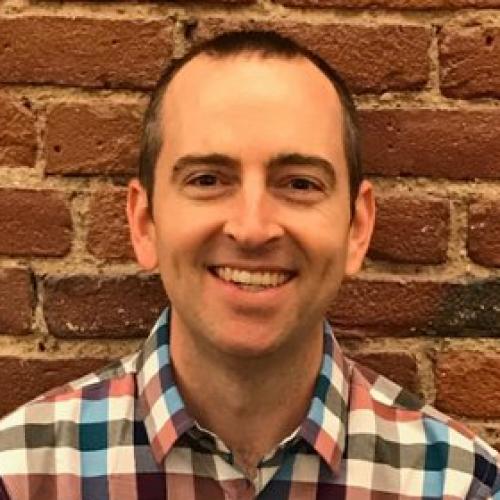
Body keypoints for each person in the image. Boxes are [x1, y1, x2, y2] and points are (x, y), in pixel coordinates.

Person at [0, 30, 498, 500]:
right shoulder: (22, 476)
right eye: (207, 180)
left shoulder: (460, 484)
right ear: (145, 223)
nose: (252, 228)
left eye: (299, 184)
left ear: (357, 228)